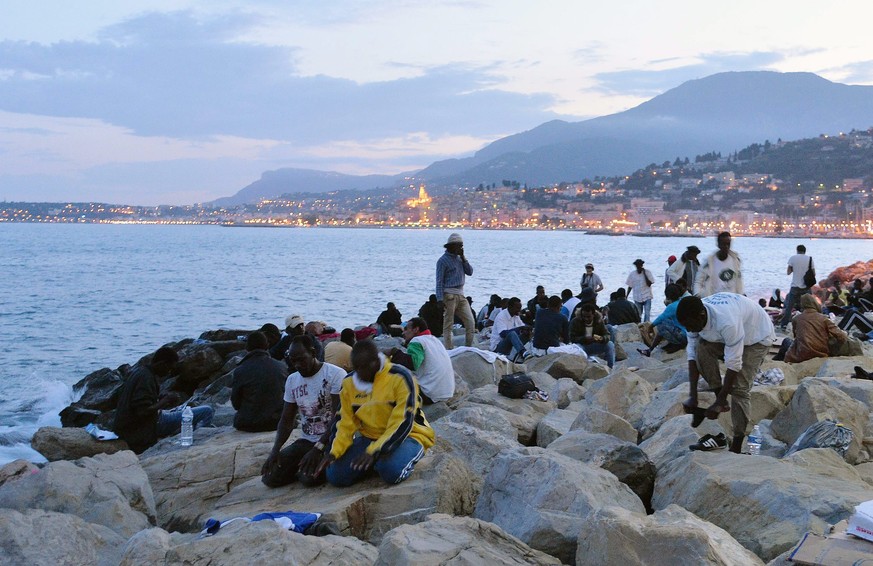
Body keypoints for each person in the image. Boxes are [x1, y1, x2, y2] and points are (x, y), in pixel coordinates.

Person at [320, 340, 435, 487]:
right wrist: (333, 452)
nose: (358, 373)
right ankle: (375, 462)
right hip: (371, 438)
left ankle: (404, 455)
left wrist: (376, 450)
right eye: (356, 368)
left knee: (391, 472)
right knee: (335, 476)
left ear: (375, 362)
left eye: (363, 367)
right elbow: (345, 422)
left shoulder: (400, 377)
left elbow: (402, 421)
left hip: (409, 434)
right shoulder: (349, 383)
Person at [677, 293, 774, 454]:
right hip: (727, 336)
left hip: (757, 338)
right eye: (685, 326)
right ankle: (719, 399)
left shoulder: (727, 321)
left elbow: (734, 364)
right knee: (702, 348)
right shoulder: (692, 318)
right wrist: (693, 395)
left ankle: (737, 443)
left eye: (690, 326)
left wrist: (722, 398)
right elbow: (693, 356)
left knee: (740, 389)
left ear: (701, 316)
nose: (688, 330)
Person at [261, 335, 346, 488]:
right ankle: (300, 467)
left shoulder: (335, 374)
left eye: (301, 359)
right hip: (307, 441)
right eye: (293, 361)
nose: (297, 365)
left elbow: (338, 418)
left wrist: (319, 448)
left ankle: (307, 468)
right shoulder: (292, 380)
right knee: (269, 477)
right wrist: (275, 450)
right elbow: (286, 420)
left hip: (331, 440)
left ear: (313, 353)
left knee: (308, 479)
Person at [113, 346, 214, 454]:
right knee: (207, 411)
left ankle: (185, 435)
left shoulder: (140, 372)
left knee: (187, 412)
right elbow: (142, 411)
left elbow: (136, 401)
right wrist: (165, 401)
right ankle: (195, 447)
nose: (169, 372)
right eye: (169, 368)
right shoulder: (145, 378)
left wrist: (159, 398)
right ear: (162, 364)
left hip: (130, 426)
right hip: (142, 428)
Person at [231, 332, 289, 432]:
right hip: (276, 422)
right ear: (267, 346)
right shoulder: (281, 367)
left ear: (247, 347)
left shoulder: (241, 370)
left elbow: (236, 403)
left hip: (249, 424)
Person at [390, 317, 455, 404]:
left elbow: (413, 363)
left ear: (416, 329)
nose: (403, 332)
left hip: (429, 394)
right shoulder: (434, 339)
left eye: (406, 329)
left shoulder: (417, 341)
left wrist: (394, 352)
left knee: (393, 376)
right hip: (446, 393)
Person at [775, 294, 847, 363]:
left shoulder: (796, 319)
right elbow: (842, 336)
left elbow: (796, 337)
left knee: (786, 341)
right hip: (821, 353)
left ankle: (775, 361)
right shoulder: (824, 318)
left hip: (801, 354)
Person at [435, 233, 474, 349]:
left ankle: (468, 347)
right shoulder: (442, 261)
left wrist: (463, 258)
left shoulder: (460, 259)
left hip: (461, 294)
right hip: (449, 295)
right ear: (451, 246)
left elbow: (470, 272)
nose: (460, 248)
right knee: (448, 325)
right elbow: (439, 281)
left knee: (470, 322)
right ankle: (449, 349)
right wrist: (440, 299)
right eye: (458, 246)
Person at [640, 283, 689, 356]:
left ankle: (677, 345)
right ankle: (650, 350)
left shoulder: (671, 307)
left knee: (661, 325)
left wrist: (651, 327)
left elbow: (661, 318)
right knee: (666, 323)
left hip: (683, 337)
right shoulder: (682, 301)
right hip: (688, 334)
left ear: (668, 296)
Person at [695, 232, 743, 297]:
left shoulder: (736, 260)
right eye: (723, 244)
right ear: (718, 244)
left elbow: (739, 280)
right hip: (713, 301)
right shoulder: (708, 262)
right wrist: (697, 295)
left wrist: (741, 295)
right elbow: (698, 281)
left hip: (732, 300)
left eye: (728, 244)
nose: (726, 246)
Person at [779, 245, 814, 329]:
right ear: (805, 251)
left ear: (797, 250)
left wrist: (796, 269)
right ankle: (808, 323)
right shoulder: (810, 259)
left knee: (789, 307)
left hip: (795, 286)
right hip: (806, 286)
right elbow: (813, 273)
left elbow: (788, 272)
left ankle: (784, 324)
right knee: (809, 306)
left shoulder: (793, 258)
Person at [570, 303, 615, 367]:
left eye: (588, 317)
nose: (586, 319)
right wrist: (584, 339)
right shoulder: (575, 321)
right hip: (581, 346)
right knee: (577, 348)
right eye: (584, 316)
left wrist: (602, 339)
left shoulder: (599, 321)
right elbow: (572, 338)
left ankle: (611, 367)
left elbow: (606, 334)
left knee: (610, 344)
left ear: (593, 315)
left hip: (595, 345)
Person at [491, 297, 529, 362]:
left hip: (510, 345)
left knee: (527, 333)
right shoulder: (501, 316)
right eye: (517, 308)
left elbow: (522, 326)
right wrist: (520, 329)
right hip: (498, 346)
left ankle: (520, 354)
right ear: (510, 307)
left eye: (520, 308)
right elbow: (503, 334)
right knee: (512, 334)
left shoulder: (515, 316)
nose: (519, 310)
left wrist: (528, 329)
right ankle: (523, 352)